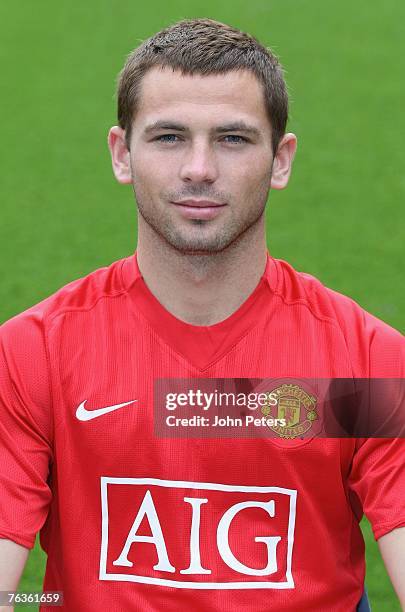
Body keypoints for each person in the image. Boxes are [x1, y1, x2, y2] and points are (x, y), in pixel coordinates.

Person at [0, 18, 404, 612]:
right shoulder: (33, 355)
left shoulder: (364, 363)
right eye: (168, 137)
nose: (198, 169)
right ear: (122, 154)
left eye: (233, 139)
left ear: (281, 160)